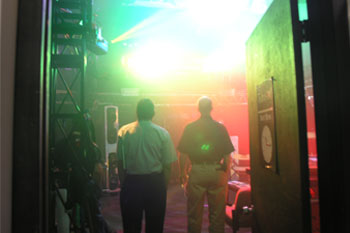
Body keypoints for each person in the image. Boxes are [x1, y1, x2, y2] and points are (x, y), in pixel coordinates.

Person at [117, 98, 177, 233]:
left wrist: (124, 183)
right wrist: (163, 185)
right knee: (155, 225)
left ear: (137, 112)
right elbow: (168, 165)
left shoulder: (124, 132)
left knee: (131, 225)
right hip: (155, 182)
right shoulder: (163, 133)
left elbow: (120, 163)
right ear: (153, 113)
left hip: (132, 182)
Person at [177, 96, 234, 233]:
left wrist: (183, 174)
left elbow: (183, 154)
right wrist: (225, 174)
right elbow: (227, 156)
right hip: (216, 171)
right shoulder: (220, 128)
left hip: (196, 171)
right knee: (217, 215)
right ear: (211, 108)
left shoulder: (190, 128)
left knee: (194, 215)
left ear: (198, 109)